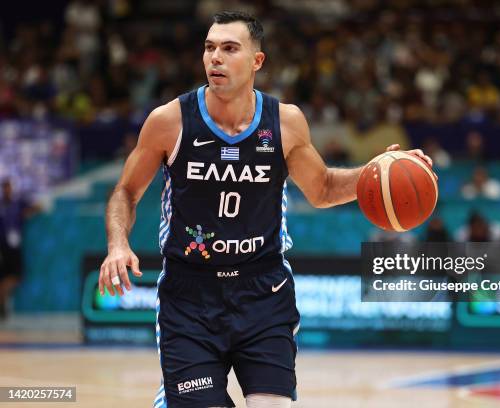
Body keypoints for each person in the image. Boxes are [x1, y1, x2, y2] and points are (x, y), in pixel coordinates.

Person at [97, 11, 433, 408]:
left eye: (229, 48)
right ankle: (175, 395)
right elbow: (126, 192)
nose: (215, 58)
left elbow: (323, 188)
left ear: (257, 61)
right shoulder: (170, 121)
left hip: (263, 289)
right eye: (209, 48)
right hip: (190, 292)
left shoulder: (285, 122)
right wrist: (118, 244)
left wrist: (376, 172)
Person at [0, 180, 36, 319]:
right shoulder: (3, 206)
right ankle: (2, 299)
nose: (7, 190)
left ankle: (2, 298)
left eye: (9, 187)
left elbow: (35, 207)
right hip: (6, 247)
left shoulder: (17, 203)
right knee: (13, 276)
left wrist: (26, 213)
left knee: (15, 277)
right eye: (5, 188)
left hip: (14, 246)